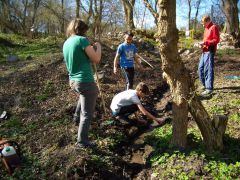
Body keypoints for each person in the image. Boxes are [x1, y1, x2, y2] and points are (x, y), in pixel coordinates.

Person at [63, 19, 102, 148]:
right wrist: (98, 47)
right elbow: (96, 59)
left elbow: (81, 57)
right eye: (85, 30)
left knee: (83, 96)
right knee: (87, 113)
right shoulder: (81, 40)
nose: (85, 33)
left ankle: (76, 118)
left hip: (73, 81)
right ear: (81, 29)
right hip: (85, 80)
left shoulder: (67, 42)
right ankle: (82, 141)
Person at [198, 15, 220, 96]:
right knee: (200, 69)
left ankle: (209, 88)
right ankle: (205, 85)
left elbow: (216, 40)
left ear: (208, 21)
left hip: (210, 51)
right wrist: (202, 44)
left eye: (203, 23)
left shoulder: (213, 27)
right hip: (204, 51)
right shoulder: (206, 28)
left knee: (208, 69)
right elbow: (206, 40)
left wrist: (205, 43)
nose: (203, 25)